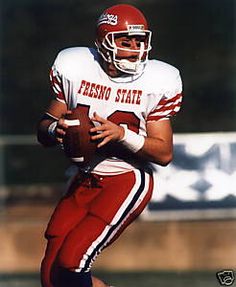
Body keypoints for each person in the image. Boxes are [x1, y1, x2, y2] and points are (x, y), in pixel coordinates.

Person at [37, 3, 183, 287]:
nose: (133, 48)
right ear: (104, 41)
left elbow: (164, 153)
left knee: (73, 262)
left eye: (139, 40)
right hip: (85, 178)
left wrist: (121, 135)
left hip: (126, 178)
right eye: (124, 40)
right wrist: (56, 128)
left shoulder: (158, 79)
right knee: (51, 276)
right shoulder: (75, 67)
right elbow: (44, 126)